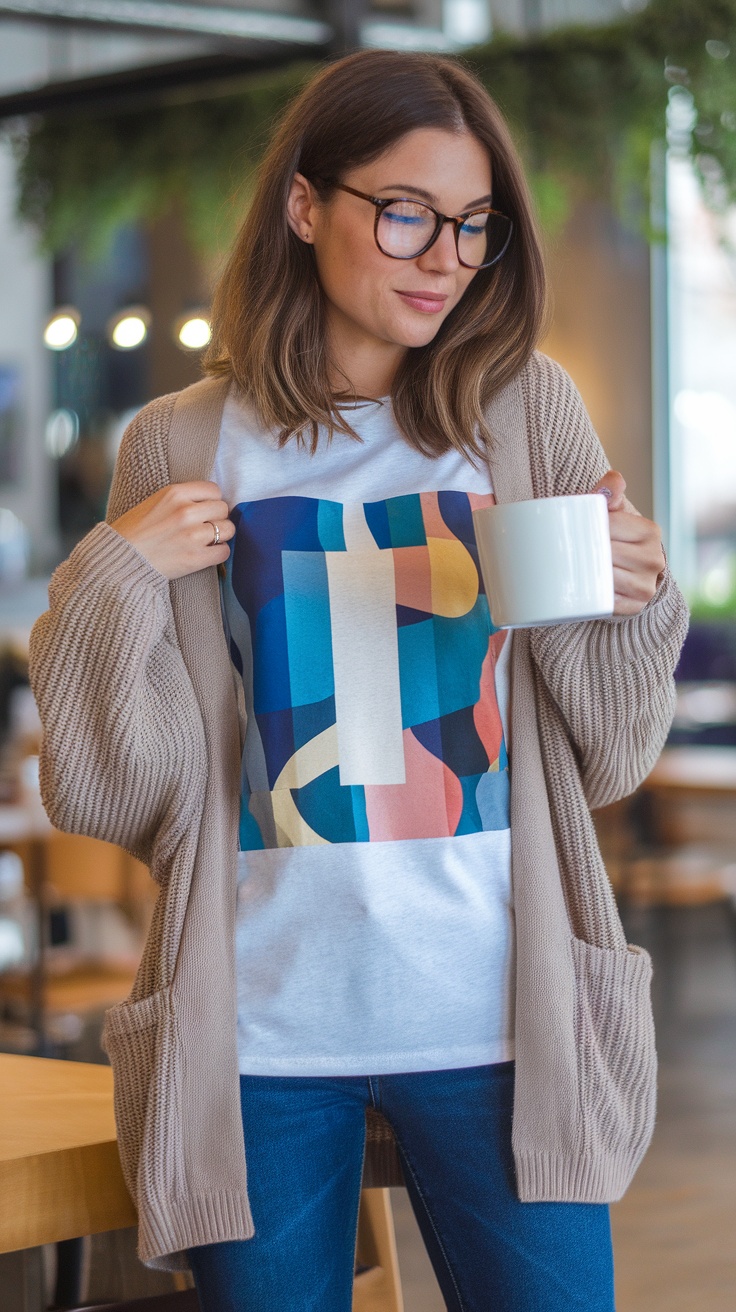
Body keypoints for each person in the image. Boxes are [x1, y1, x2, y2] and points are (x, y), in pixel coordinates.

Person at [29, 49, 688, 1312]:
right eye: (405, 212)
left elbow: (605, 751)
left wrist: (633, 598)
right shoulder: (177, 441)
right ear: (304, 205)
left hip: (506, 1022)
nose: (444, 256)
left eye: (473, 227)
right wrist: (113, 575)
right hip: (261, 1035)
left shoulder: (520, 410)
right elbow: (118, 791)